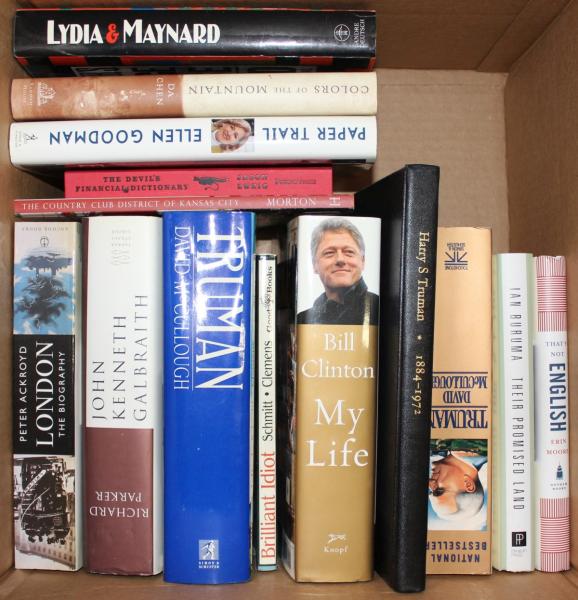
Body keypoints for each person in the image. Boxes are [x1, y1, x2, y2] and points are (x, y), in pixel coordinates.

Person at [297, 217, 379, 325]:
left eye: (349, 252)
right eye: (329, 253)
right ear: (314, 265)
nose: (340, 260)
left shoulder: (381, 308)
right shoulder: (302, 320)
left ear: (363, 261)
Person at [428, 451, 486, 523]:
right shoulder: (478, 450)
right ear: (468, 485)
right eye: (439, 491)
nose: (430, 483)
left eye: (431, 490)